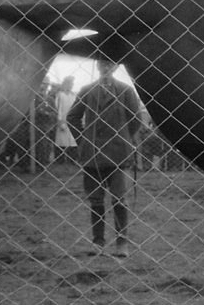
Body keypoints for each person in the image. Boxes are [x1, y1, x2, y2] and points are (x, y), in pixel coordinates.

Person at [67, 61, 141, 258]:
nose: (105, 68)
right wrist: (83, 141)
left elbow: (136, 119)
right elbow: (72, 117)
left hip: (118, 155)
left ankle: (121, 243)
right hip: (93, 155)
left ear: (116, 67)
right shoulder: (87, 90)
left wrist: (123, 138)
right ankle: (98, 242)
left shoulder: (126, 91)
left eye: (110, 65)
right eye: (102, 65)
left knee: (119, 198)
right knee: (96, 200)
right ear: (98, 67)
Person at [54, 76, 77, 165]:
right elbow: (58, 108)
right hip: (62, 120)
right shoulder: (60, 95)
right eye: (69, 83)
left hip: (72, 121)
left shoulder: (74, 95)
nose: (71, 85)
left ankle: (72, 160)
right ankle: (60, 160)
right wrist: (60, 121)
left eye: (72, 83)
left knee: (72, 141)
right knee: (61, 141)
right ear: (65, 84)